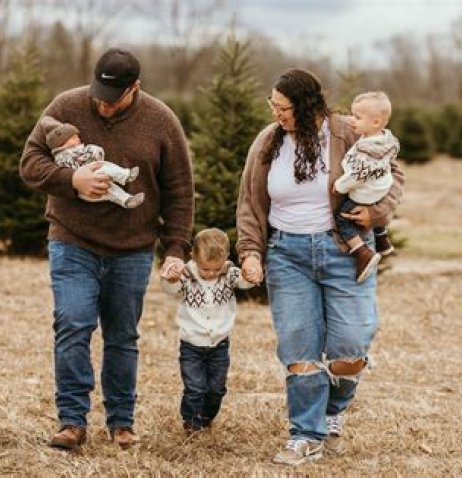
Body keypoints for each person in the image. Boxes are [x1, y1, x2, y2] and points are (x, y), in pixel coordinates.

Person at [19, 47, 194, 450]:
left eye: (113, 99)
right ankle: (72, 421)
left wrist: (176, 248)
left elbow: (180, 191)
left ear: (135, 87)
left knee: (122, 336)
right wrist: (72, 180)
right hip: (73, 240)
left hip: (132, 248)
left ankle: (121, 422)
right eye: (99, 95)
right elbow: (29, 163)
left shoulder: (162, 121)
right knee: (73, 323)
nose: (104, 105)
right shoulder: (65, 106)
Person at [236, 68, 405, 465]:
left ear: (307, 105)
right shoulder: (268, 141)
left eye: (283, 108)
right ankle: (306, 434)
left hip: (345, 251)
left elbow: (393, 173)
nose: (276, 114)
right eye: (273, 106)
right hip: (286, 254)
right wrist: (250, 252)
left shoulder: (346, 132)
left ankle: (332, 410)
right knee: (299, 348)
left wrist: (377, 211)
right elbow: (250, 202)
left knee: (351, 346)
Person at [160, 228, 256, 434]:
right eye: (205, 269)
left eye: (216, 269)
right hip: (191, 345)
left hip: (219, 345)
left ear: (226, 258)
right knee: (195, 388)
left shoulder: (229, 273)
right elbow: (170, 289)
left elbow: (245, 283)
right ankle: (191, 422)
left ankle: (206, 417)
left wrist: (250, 274)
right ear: (193, 257)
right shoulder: (187, 274)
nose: (211, 274)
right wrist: (172, 279)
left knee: (217, 389)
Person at [333, 91, 400, 283]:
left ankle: (362, 252)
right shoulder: (386, 139)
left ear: (376, 122)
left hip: (365, 193)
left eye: (357, 117)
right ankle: (382, 238)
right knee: (374, 202)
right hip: (381, 187)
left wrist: (339, 186)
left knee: (342, 219)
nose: (352, 120)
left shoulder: (366, 150)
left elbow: (357, 176)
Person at [42, 115, 145, 209]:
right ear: (62, 144)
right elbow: (82, 160)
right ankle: (125, 176)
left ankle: (127, 199)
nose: (78, 138)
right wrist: (94, 151)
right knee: (105, 174)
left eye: (76, 136)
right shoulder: (65, 157)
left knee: (109, 185)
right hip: (86, 188)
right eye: (73, 138)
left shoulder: (73, 151)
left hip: (93, 179)